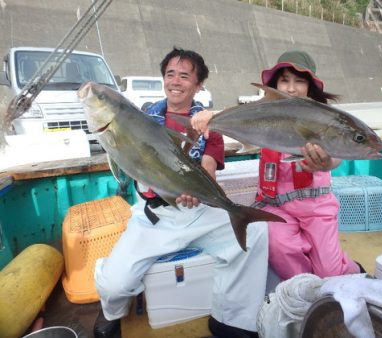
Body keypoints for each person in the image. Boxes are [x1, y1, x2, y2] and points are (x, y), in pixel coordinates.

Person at [93, 47, 268, 338]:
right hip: (154, 218)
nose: (175, 81)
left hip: (198, 210)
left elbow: (208, 168)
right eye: (170, 74)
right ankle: (111, 312)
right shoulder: (141, 117)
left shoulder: (210, 125)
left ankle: (231, 317)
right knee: (115, 285)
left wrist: (197, 191)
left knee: (258, 231)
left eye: (185, 76)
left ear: (198, 85)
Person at [191, 50, 363, 282]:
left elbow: (337, 156)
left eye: (299, 81)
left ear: (310, 87)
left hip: (316, 206)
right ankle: (305, 288)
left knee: (330, 272)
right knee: (281, 248)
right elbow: (238, 117)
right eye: (284, 80)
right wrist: (210, 117)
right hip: (276, 206)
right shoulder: (265, 111)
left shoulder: (323, 118)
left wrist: (325, 163)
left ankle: (352, 270)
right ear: (275, 84)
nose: (291, 88)